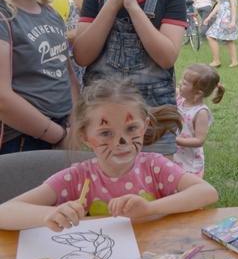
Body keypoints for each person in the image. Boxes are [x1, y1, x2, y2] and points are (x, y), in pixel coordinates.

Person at [0, 78, 219, 232]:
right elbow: (5, 212)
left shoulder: (154, 166)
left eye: (131, 129)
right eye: (105, 133)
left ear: (144, 127)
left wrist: (149, 209)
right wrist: (45, 216)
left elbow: (207, 193)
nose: (120, 142)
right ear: (85, 137)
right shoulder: (76, 178)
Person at [74, 0, 187, 156]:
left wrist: (134, 8)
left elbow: (167, 57)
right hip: (101, 116)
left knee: (154, 185)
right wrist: (112, 3)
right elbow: (82, 56)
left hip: (154, 116)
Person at [0, 0, 77, 154]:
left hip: (62, 131)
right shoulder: (4, 17)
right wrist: (57, 135)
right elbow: (2, 97)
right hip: (21, 138)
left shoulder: (51, 13)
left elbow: (67, 73)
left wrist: (74, 123)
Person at [175, 64, 225, 178]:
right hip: (176, 155)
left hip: (189, 161)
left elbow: (199, 140)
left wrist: (175, 140)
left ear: (198, 93)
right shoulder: (180, 97)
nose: (180, 83)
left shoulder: (200, 113)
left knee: (187, 189)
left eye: (184, 83)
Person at [204, 0, 238, 68]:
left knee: (210, 35)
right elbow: (219, 3)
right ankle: (234, 61)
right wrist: (209, 17)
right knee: (229, 39)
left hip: (227, 16)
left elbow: (233, 4)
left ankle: (216, 60)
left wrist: (232, 20)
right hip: (222, 15)